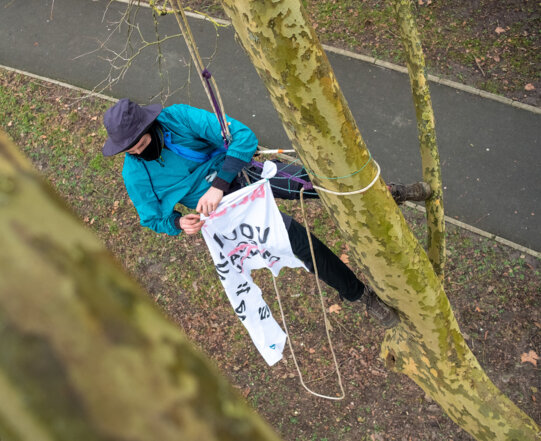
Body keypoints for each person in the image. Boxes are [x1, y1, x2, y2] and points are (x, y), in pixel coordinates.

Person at [102, 99, 431, 328]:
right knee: (299, 243)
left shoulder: (177, 118)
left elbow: (242, 136)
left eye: (142, 144)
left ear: (152, 125)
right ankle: (360, 294)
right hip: (226, 213)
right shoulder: (135, 175)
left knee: (312, 183)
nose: (137, 152)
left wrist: (219, 183)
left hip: (239, 174)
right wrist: (178, 221)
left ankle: (386, 194)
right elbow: (152, 218)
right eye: (129, 150)